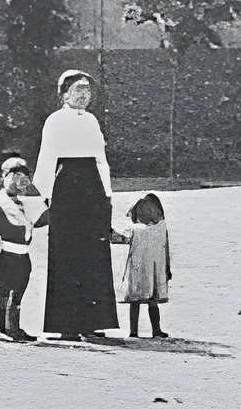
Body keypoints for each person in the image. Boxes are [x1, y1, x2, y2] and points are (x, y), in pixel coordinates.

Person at [33, 70, 122, 341]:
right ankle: (67, 325)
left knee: (94, 253)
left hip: (92, 189)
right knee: (67, 254)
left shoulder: (93, 121)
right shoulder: (55, 121)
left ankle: (92, 321)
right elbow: (47, 158)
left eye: (87, 90)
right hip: (66, 187)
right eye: (78, 89)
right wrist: (47, 197)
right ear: (64, 94)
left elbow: (100, 159)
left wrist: (106, 194)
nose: (84, 95)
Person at [0, 155, 48, 343]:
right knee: (7, 293)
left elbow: (32, 225)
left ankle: (14, 328)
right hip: (7, 255)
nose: (19, 180)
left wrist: (48, 211)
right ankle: (5, 330)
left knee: (17, 295)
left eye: (23, 175)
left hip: (22, 256)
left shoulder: (19, 202)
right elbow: (3, 230)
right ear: (5, 176)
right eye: (15, 174)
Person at [122, 192, 172, 339]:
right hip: (155, 269)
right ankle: (155, 330)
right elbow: (166, 248)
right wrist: (167, 268)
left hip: (139, 269)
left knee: (136, 300)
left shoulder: (135, 229)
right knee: (152, 300)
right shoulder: (161, 228)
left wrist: (108, 232)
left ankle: (134, 331)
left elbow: (122, 238)